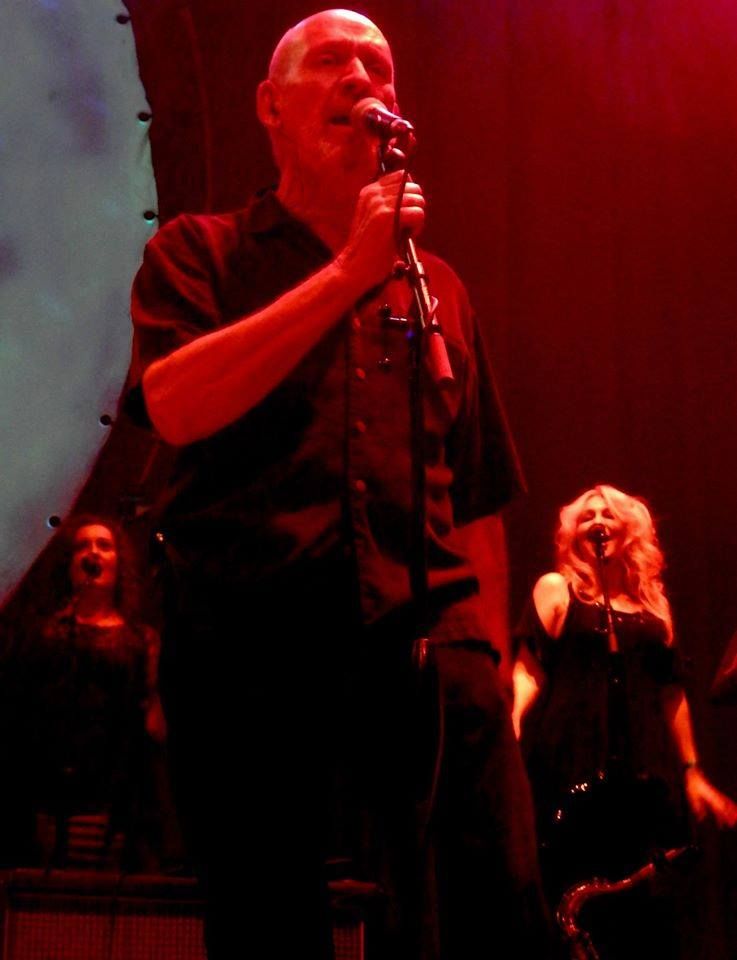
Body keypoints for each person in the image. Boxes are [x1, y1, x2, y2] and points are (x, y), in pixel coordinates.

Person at [126, 8, 550, 959]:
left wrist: (486, 668)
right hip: (248, 647)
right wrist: (351, 270)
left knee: (485, 909)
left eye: (379, 67)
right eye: (331, 62)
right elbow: (175, 405)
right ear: (268, 105)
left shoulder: (439, 287)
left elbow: (474, 493)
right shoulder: (198, 252)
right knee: (268, 919)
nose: (362, 79)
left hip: (422, 649)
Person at [512, 484, 737, 956]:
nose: (598, 521)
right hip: (568, 756)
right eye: (587, 516)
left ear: (630, 528)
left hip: (642, 770)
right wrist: (509, 734)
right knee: (568, 886)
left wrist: (692, 771)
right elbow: (528, 672)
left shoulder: (655, 606)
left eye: (608, 514)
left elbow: (672, 694)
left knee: (638, 903)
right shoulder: (557, 589)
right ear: (573, 534)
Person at [25, 514, 167, 868]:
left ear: (119, 563)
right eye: (82, 546)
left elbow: (155, 723)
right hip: (53, 793)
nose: (93, 553)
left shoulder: (141, 639)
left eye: (104, 545)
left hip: (117, 794)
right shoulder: (46, 635)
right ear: (70, 565)